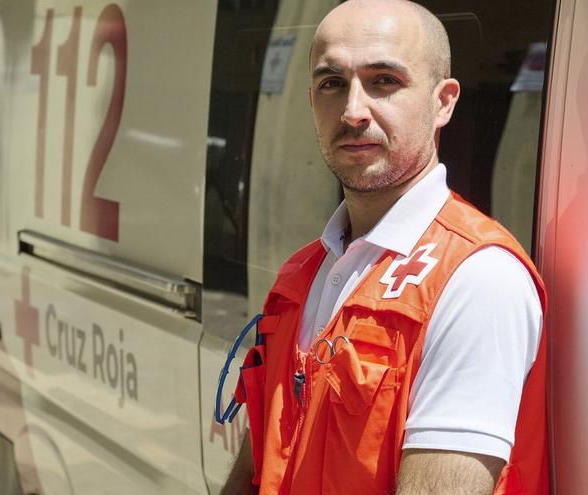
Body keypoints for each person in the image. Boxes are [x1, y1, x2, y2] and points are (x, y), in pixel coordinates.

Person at [220, 1, 548, 493]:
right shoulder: (303, 272)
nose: (353, 111)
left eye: (384, 82)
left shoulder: (478, 280)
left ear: (443, 103)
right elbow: (254, 474)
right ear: (312, 99)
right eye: (332, 83)